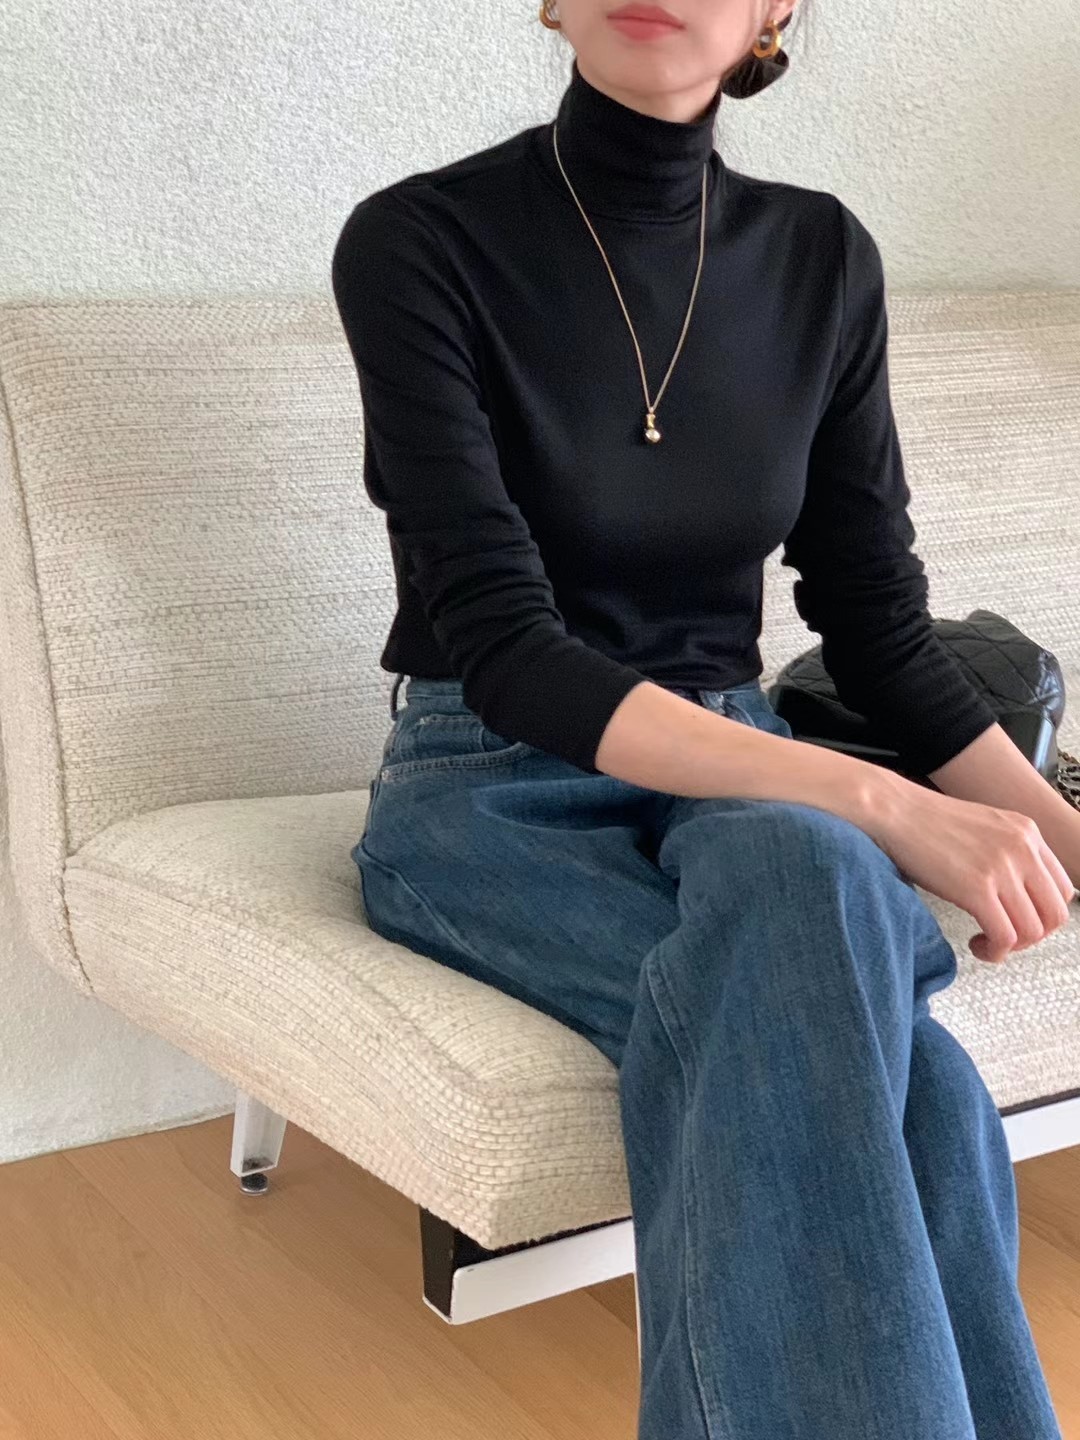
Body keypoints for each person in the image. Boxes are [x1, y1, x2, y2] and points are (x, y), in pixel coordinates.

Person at [331, 4, 1080, 1435]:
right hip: (486, 780)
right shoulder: (419, 242)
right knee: (914, 1083)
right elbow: (508, 651)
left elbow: (880, 629)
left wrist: (1065, 844)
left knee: (799, 870)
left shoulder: (820, 259)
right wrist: (884, 803)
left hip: (743, 782)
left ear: (776, 10)